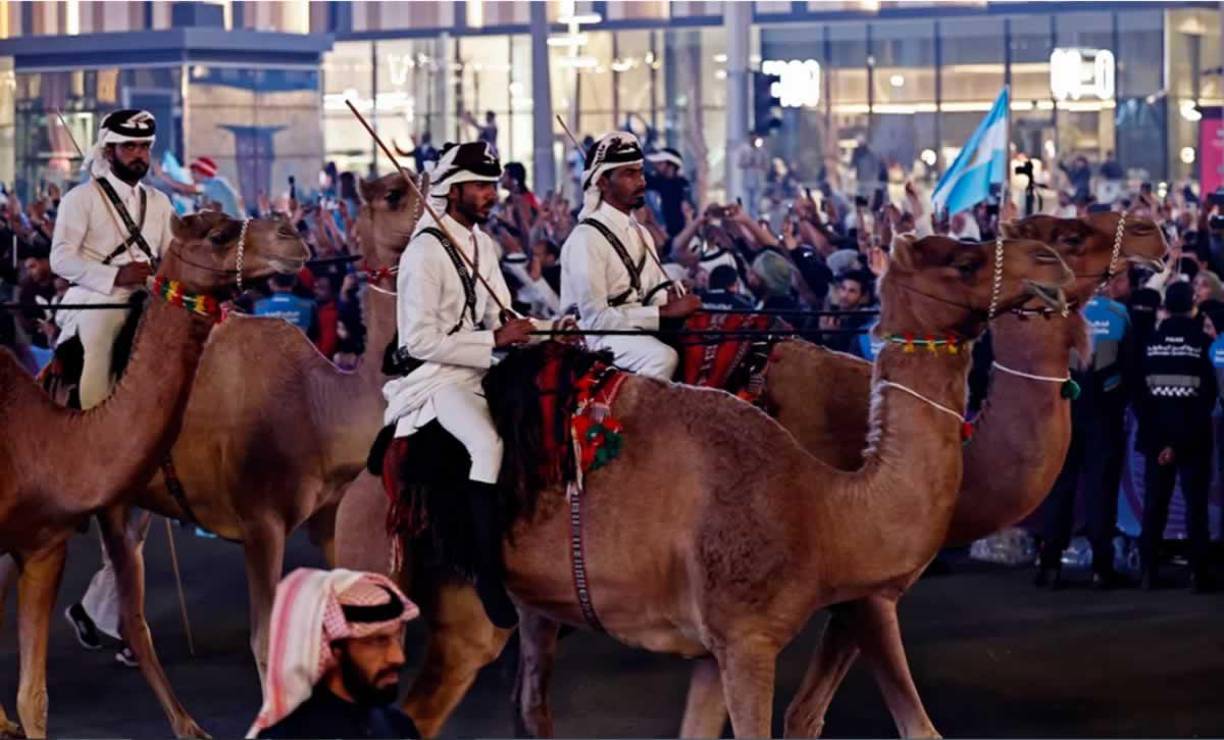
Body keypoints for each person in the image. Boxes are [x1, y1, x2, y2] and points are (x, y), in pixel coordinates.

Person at [382, 141, 557, 628]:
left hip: (485, 364)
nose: (490, 195)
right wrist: (495, 338)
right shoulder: (423, 251)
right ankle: (485, 574)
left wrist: (550, 328)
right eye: (480, 186)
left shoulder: (483, 244)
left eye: (492, 186)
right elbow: (417, 343)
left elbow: (503, 313)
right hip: (438, 378)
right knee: (486, 444)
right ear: (452, 189)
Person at [53, 110, 175, 669]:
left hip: (149, 303)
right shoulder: (80, 201)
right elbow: (61, 260)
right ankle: (99, 428)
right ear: (108, 149)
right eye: (129, 147)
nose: (139, 155)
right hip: (92, 303)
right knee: (102, 334)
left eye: (145, 147)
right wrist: (115, 276)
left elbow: (170, 259)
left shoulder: (161, 204)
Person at [560, 132, 700, 380]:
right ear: (602, 182)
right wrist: (664, 314)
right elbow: (595, 319)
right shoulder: (586, 238)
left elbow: (651, 291)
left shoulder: (641, 233)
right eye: (629, 174)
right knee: (662, 358)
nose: (641, 182)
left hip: (632, 330)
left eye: (641, 172)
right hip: (593, 337)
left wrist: (670, 297)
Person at [1036, 271, 1133, 590]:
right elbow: (1129, 366)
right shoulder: (1119, 315)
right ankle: (1100, 569)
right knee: (1100, 491)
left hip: (1065, 409)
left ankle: (1050, 566)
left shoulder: (1061, 315)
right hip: (1104, 413)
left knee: (1060, 488)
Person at [248, 569, 421, 739]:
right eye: (378, 641)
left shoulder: (399, 726)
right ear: (331, 649)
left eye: (396, 638)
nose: (398, 657)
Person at [1136, 281, 1216, 592]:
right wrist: (1179, 443)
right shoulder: (1202, 342)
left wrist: (1161, 442)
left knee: (1154, 505)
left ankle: (1148, 571)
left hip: (1156, 439)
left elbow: (1139, 397)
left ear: (1165, 308)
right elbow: (1206, 398)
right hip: (1193, 439)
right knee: (1196, 508)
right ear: (1193, 306)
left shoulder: (1147, 341)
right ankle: (1198, 574)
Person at [644, 147, 691, 241]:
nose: (656, 166)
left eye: (660, 163)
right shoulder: (663, 182)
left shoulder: (677, 186)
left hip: (675, 238)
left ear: (671, 165)